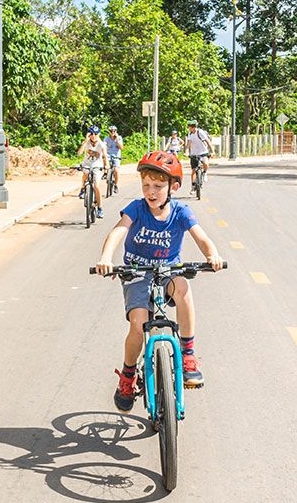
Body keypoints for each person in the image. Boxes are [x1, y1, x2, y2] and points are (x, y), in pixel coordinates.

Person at [92, 151, 224, 411]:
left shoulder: (181, 211)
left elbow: (201, 237)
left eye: (158, 186)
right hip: (137, 272)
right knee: (138, 324)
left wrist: (213, 255)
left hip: (167, 270)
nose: (151, 192)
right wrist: (106, 257)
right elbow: (119, 229)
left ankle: (187, 354)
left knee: (183, 288)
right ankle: (128, 376)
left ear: (173, 187)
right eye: (146, 186)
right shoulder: (137, 209)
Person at [76, 125, 107, 219]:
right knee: (85, 174)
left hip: (97, 165)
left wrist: (107, 166)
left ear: (99, 134)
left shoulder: (101, 144)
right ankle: (82, 189)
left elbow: (105, 155)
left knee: (96, 186)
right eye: (91, 134)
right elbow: (79, 153)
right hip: (87, 164)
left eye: (96, 134)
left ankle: (100, 208)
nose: (93, 136)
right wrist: (85, 141)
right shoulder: (86, 143)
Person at [183, 120, 215, 187]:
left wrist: (212, 151)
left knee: (205, 163)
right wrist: (186, 152)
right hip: (194, 153)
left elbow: (208, 142)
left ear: (193, 127)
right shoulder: (190, 134)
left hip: (203, 152)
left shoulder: (200, 132)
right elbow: (188, 144)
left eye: (189, 127)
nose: (188, 128)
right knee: (193, 170)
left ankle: (204, 173)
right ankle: (193, 185)